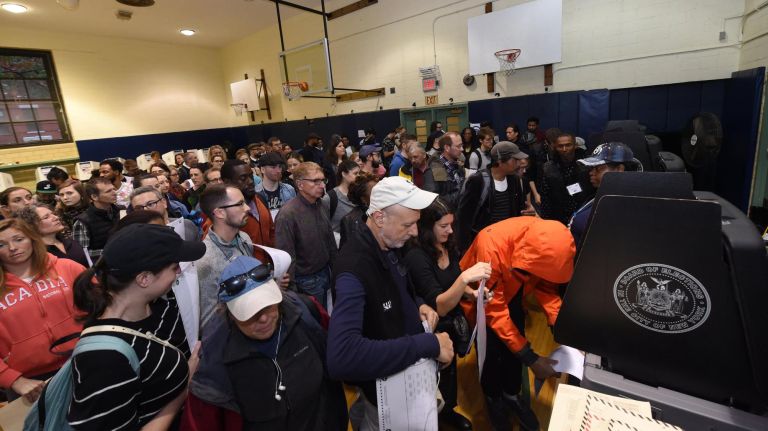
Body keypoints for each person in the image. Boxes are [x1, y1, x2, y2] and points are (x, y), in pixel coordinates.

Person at [327, 176, 453, 429]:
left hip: (402, 380)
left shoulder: (391, 242)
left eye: (416, 223)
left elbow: (399, 288)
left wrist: (418, 304)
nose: (415, 232)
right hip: (385, 398)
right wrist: (427, 344)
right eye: (408, 224)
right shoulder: (354, 268)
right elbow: (341, 358)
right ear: (380, 218)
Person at [185, 255, 348, 431]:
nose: (263, 318)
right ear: (230, 314)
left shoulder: (305, 313)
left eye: (268, 305)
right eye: (250, 313)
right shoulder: (216, 362)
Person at [67, 223, 205, 430]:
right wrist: (183, 389)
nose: (179, 272)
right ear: (144, 278)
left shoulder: (158, 306)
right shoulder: (104, 358)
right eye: (174, 267)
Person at [460, 217, 575, 430]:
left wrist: (560, 327)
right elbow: (493, 310)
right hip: (482, 299)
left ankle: (511, 395)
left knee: (516, 340)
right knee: (491, 353)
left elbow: (547, 287)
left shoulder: (549, 240)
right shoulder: (491, 245)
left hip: (513, 294)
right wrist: (531, 358)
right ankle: (493, 398)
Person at [404, 198, 491, 431]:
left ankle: (447, 411)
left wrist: (472, 293)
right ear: (427, 227)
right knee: (433, 378)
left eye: (451, 225)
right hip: (432, 329)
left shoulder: (447, 245)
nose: (450, 230)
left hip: (452, 326)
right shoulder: (416, 256)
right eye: (443, 226)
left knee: (450, 373)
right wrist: (465, 280)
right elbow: (439, 304)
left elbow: (455, 279)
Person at [0, 218, 85, 401]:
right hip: (30, 383)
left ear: (32, 238)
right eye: (2, 244)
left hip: (86, 360)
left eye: (19, 239)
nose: (12, 248)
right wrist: (13, 380)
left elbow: (103, 309)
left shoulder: (67, 267)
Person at [275, 162, 336, 306]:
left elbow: (330, 240)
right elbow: (286, 256)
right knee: (316, 322)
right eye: (315, 181)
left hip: (326, 272)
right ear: (300, 184)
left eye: (322, 180)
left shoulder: (321, 204)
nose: (321, 185)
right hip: (306, 281)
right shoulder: (287, 214)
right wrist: (292, 289)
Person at [457, 141, 529, 252]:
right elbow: (464, 218)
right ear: (500, 161)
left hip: (508, 243)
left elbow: (519, 211)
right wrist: (465, 250)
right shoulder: (478, 180)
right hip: (485, 244)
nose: (519, 164)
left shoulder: (514, 180)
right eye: (515, 160)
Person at [569, 142, 640, 250]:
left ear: (619, 169)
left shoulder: (627, 206)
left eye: (599, 168)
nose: (591, 173)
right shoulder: (599, 195)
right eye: (592, 168)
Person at [220, 159, 275, 264]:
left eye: (251, 176)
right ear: (227, 182)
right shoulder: (222, 213)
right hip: (246, 274)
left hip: (268, 270)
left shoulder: (260, 199)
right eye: (243, 178)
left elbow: (271, 233)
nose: (250, 181)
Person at [539, 132, 594, 225]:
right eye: (560, 146)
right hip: (558, 215)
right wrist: (545, 221)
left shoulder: (587, 165)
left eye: (568, 145)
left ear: (575, 145)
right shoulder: (548, 167)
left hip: (583, 213)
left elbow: (593, 192)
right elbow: (545, 196)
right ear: (555, 147)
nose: (564, 149)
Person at [16, 204, 89, 268]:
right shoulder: (35, 253)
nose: (56, 217)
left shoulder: (71, 242)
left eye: (53, 214)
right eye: (46, 217)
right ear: (32, 225)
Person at [72, 177, 120, 261]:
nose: (114, 193)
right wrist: (110, 251)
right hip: (103, 268)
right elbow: (82, 253)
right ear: (94, 197)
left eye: (113, 189)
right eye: (109, 191)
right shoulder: (82, 221)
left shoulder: (121, 211)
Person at [130, 186, 199, 241]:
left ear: (164, 203)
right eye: (139, 208)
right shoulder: (134, 238)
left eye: (150, 204)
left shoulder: (187, 225)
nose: (145, 210)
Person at [424, 132, 465, 208]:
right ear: (447, 148)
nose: (462, 149)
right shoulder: (434, 169)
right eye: (458, 146)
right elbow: (433, 202)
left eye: (462, 145)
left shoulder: (457, 166)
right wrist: (463, 194)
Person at [338, 171, 378, 250]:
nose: (382, 194)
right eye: (375, 193)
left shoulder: (386, 211)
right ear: (363, 199)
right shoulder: (350, 221)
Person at [321, 160, 360, 239]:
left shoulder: (359, 194)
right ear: (344, 174)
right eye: (355, 173)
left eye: (359, 173)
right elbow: (323, 225)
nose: (359, 176)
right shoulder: (331, 197)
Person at [255, 152, 296, 220]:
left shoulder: (289, 189)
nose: (278, 170)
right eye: (273, 167)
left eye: (279, 167)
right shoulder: (255, 193)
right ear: (262, 169)